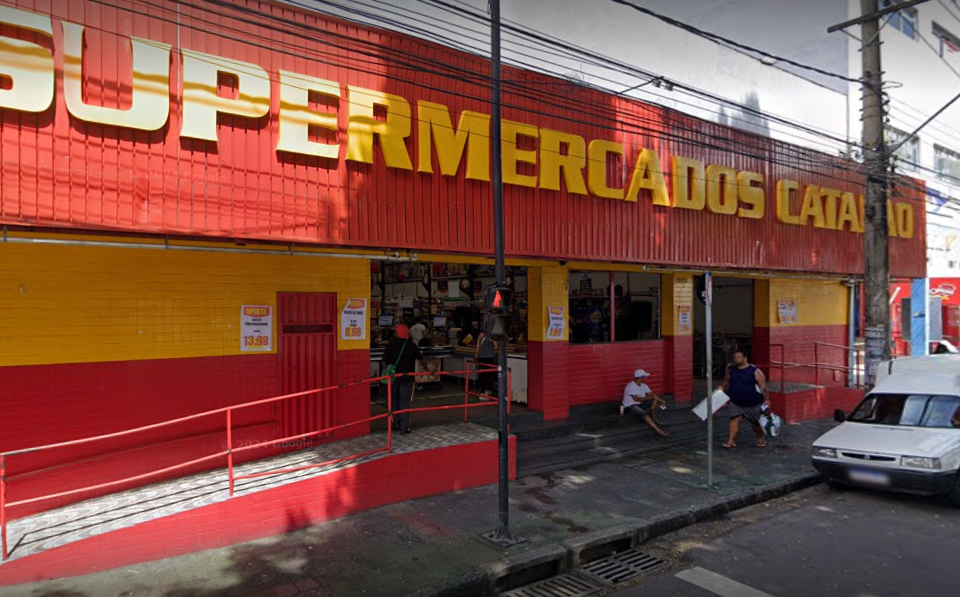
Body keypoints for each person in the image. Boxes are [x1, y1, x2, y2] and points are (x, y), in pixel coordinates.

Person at [380, 324, 432, 434]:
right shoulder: (411, 345)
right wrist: (427, 369)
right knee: (405, 402)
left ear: (396, 333)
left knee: (394, 400)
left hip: (393, 379)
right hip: (407, 379)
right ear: (407, 334)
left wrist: (386, 372)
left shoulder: (390, 345)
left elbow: (384, 361)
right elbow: (421, 359)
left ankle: (395, 423)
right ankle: (404, 427)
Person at [720, 351, 771, 448]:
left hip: (752, 403)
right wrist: (722, 387)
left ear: (745, 358)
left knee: (755, 423)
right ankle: (731, 441)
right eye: (735, 357)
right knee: (734, 419)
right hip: (735, 401)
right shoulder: (731, 369)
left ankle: (760, 437)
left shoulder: (755, 371)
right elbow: (726, 380)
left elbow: (763, 387)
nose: (736, 359)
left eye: (739, 357)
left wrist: (767, 400)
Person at [622, 369, 669, 438]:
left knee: (654, 400)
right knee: (644, 414)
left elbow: (652, 394)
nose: (646, 378)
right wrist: (648, 398)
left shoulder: (643, 385)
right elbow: (636, 399)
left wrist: (662, 401)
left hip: (639, 404)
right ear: (641, 378)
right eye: (645, 376)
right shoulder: (631, 386)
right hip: (630, 406)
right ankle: (659, 431)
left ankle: (654, 419)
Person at [475, 330, 497, 396]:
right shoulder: (492, 336)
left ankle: (483, 391)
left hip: (481, 357)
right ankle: (486, 391)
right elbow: (496, 347)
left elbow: (478, 346)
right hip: (489, 357)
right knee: (489, 375)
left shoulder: (481, 335)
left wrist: (476, 356)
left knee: (483, 375)